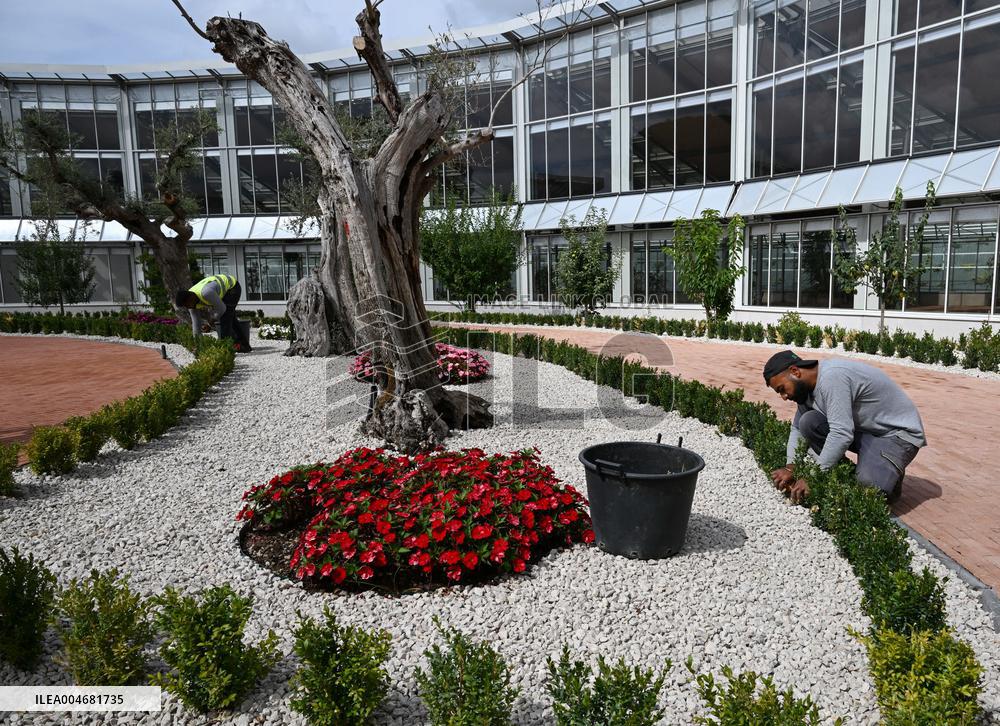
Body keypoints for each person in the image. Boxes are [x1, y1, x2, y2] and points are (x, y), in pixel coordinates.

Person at [763, 350, 925, 505]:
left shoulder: (832, 377)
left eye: (782, 389)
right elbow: (798, 429)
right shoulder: (805, 390)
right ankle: (873, 465)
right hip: (867, 431)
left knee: (869, 488)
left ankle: (889, 469)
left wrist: (813, 477)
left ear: (795, 371)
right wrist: (790, 468)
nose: (784, 397)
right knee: (808, 421)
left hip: (897, 435)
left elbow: (841, 434)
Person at [174, 273, 252, 352]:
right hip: (220, 291)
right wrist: (198, 345)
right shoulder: (190, 302)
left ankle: (225, 349)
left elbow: (222, 309)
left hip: (232, 287)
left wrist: (210, 323)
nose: (187, 307)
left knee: (226, 316)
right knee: (230, 316)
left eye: (186, 304)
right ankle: (244, 345)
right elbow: (196, 324)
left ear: (190, 298)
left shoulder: (206, 293)